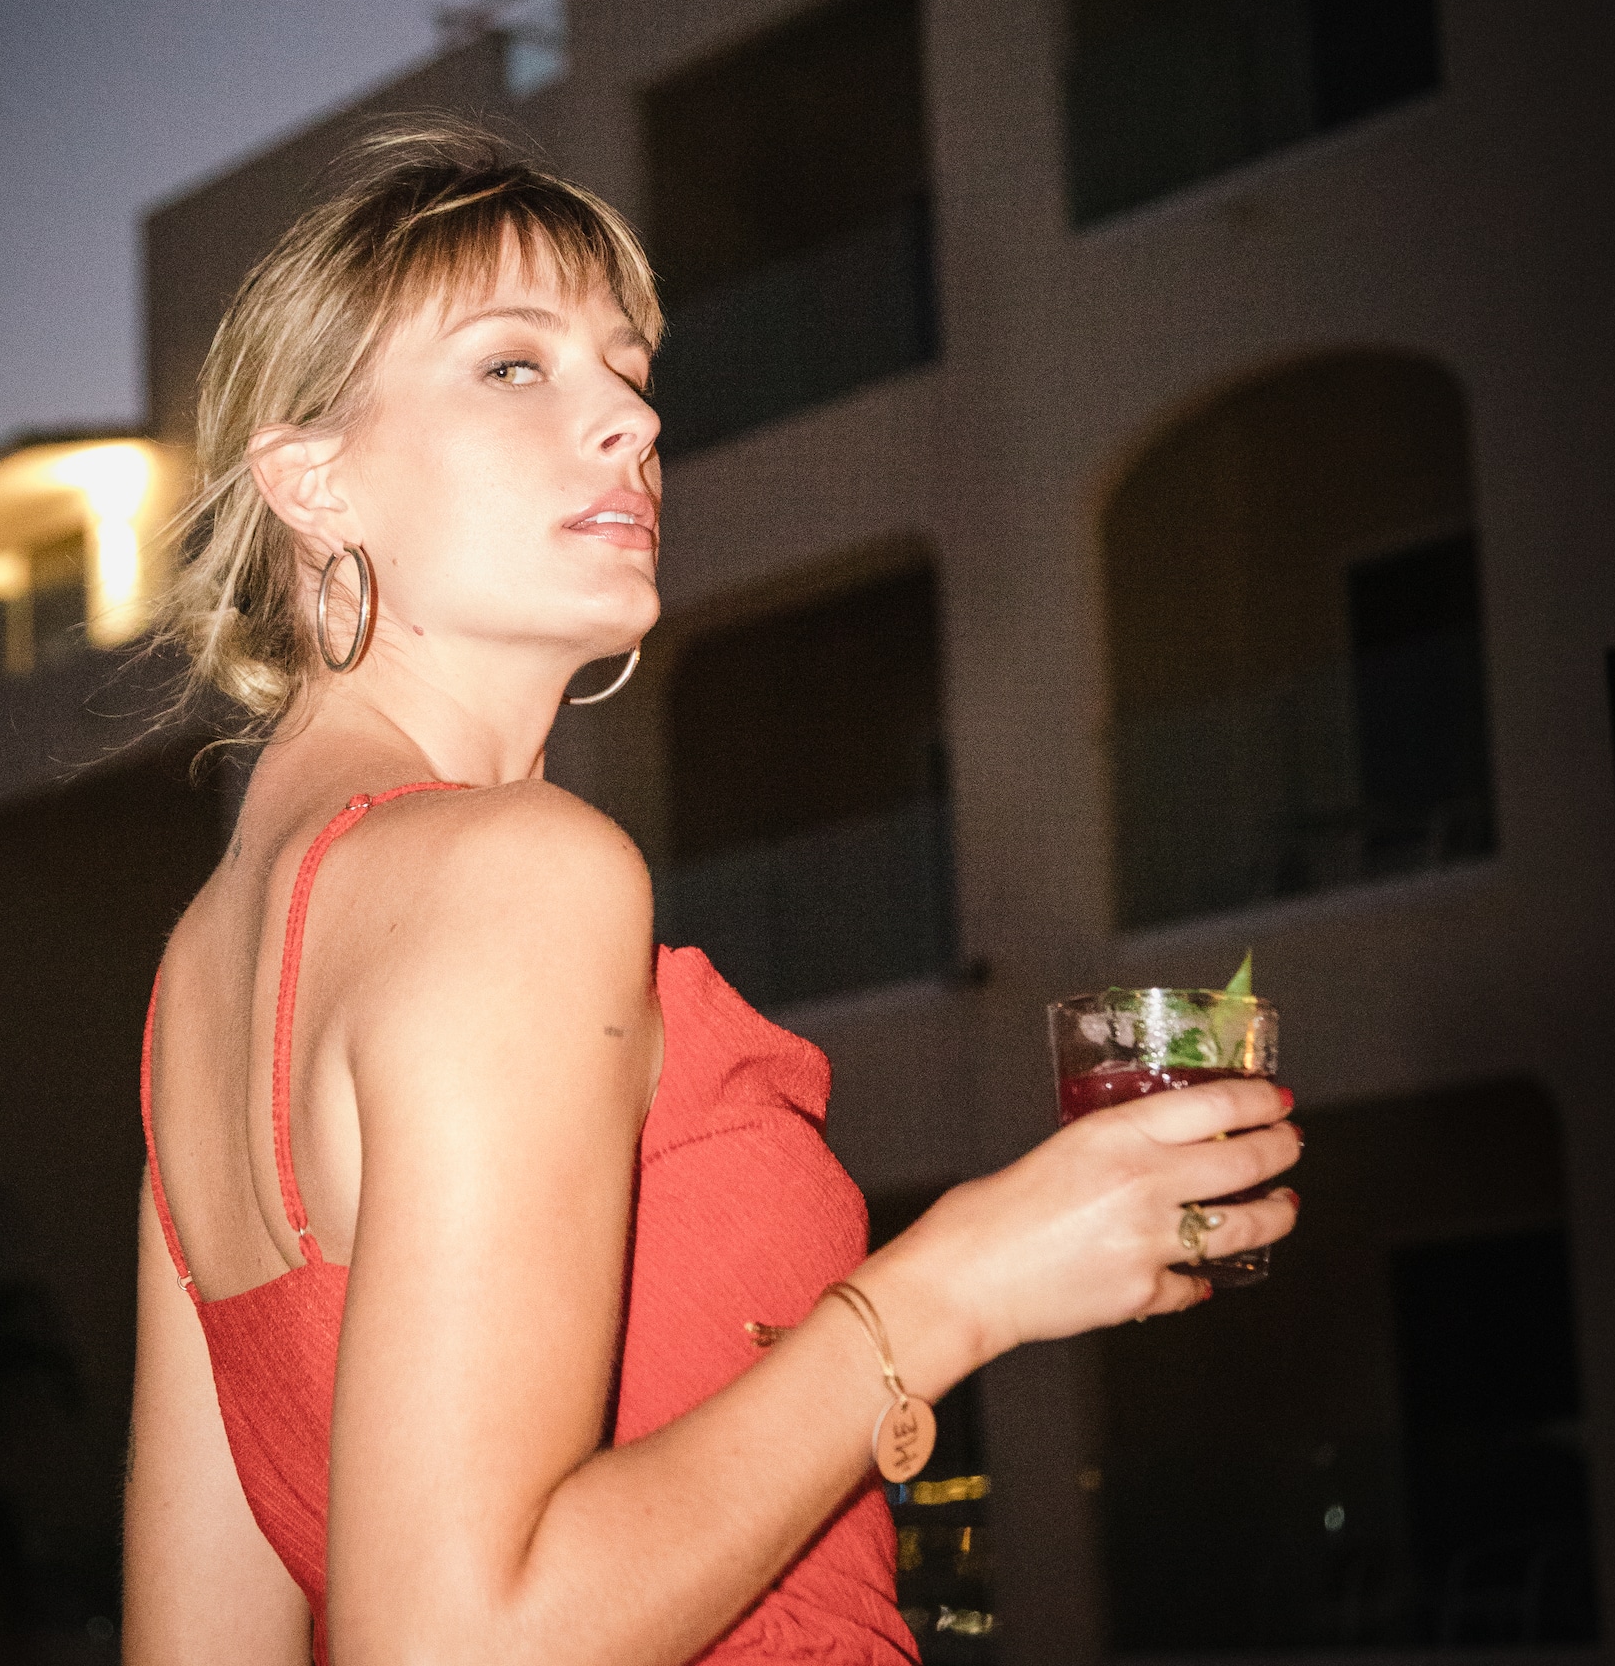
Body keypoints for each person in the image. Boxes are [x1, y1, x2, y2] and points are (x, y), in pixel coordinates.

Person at [122, 120, 1300, 1666]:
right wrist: (959, 1287)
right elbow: (461, 1641)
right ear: (309, 478)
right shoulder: (515, 877)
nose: (626, 417)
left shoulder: (204, 982)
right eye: (514, 366)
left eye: (627, 370)